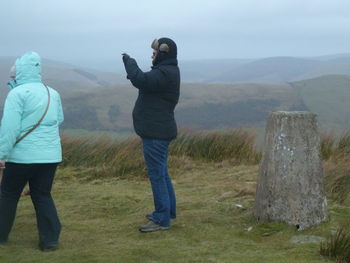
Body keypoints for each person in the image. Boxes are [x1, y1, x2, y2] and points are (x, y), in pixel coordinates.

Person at [0, 51, 64, 251]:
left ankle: (1, 235)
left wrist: (1, 154)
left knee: (8, 194)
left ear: (18, 73)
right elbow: (59, 119)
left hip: (21, 157)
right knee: (42, 194)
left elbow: (9, 128)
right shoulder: (52, 92)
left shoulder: (17, 94)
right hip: (50, 156)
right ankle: (50, 240)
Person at [122, 37, 180, 232]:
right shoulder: (167, 71)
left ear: (162, 53)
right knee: (162, 172)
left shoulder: (164, 73)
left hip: (156, 134)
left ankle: (162, 218)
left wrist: (130, 64)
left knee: (157, 175)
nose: (152, 55)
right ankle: (168, 211)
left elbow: (140, 80)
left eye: (154, 53)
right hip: (159, 132)